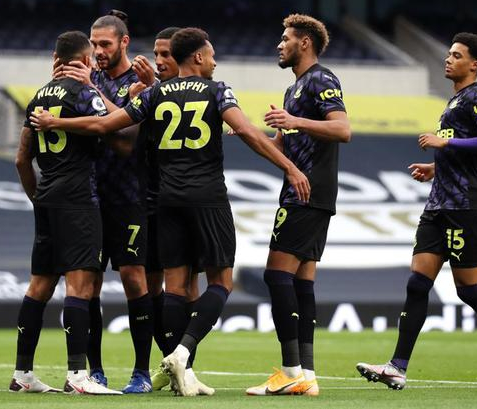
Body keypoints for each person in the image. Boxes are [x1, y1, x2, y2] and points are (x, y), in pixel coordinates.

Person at [29, 27, 311, 397]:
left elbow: (103, 124)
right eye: (211, 55)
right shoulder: (217, 90)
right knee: (221, 282)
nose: (214, 62)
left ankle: (182, 375)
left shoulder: (154, 93)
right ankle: (181, 353)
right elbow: (247, 132)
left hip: (166, 200)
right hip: (207, 197)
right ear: (198, 56)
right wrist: (289, 167)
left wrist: (56, 122)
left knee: (174, 287)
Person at [356, 32, 477, 391]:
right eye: (449, 53)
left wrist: (444, 141)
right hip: (438, 205)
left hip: (464, 206)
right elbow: (468, 157)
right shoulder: (454, 101)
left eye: (456, 55)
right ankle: (397, 367)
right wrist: (435, 168)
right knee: (417, 283)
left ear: (474, 65)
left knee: (468, 290)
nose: (448, 59)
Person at [245, 14, 351, 397]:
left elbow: (342, 129)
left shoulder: (321, 78)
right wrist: (249, 134)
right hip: (309, 193)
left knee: (277, 275)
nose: (279, 44)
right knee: (302, 282)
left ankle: (290, 370)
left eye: (286, 38)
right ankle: (306, 375)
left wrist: (295, 120)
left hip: (307, 192)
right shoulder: (294, 89)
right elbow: (283, 146)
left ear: (304, 43)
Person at [9, 30, 120, 395]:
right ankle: (77, 375)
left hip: (47, 197)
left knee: (39, 286)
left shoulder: (38, 97)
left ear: (55, 59)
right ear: (84, 60)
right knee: (80, 286)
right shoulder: (85, 93)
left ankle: (23, 374)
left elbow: (21, 159)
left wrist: (37, 197)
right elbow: (116, 125)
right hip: (77, 198)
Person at [55, 11, 155, 393]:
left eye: (105, 44)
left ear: (123, 43)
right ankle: (94, 371)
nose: (97, 51)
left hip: (129, 195)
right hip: (91, 197)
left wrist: (93, 95)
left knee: (133, 278)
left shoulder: (139, 83)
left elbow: (127, 140)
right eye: (94, 44)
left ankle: (141, 373)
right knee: (90, 285)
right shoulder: (88, 78)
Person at [131, 27, 210, 394]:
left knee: (188, 285)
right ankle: (163, 363)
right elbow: (123, 138)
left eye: (166, 54)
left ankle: (183, 366)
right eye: (157, 54)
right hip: (146, 202)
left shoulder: (180, 95)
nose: (160, 61)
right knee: (151, 286)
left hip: (179, 201)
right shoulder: (146, 95)